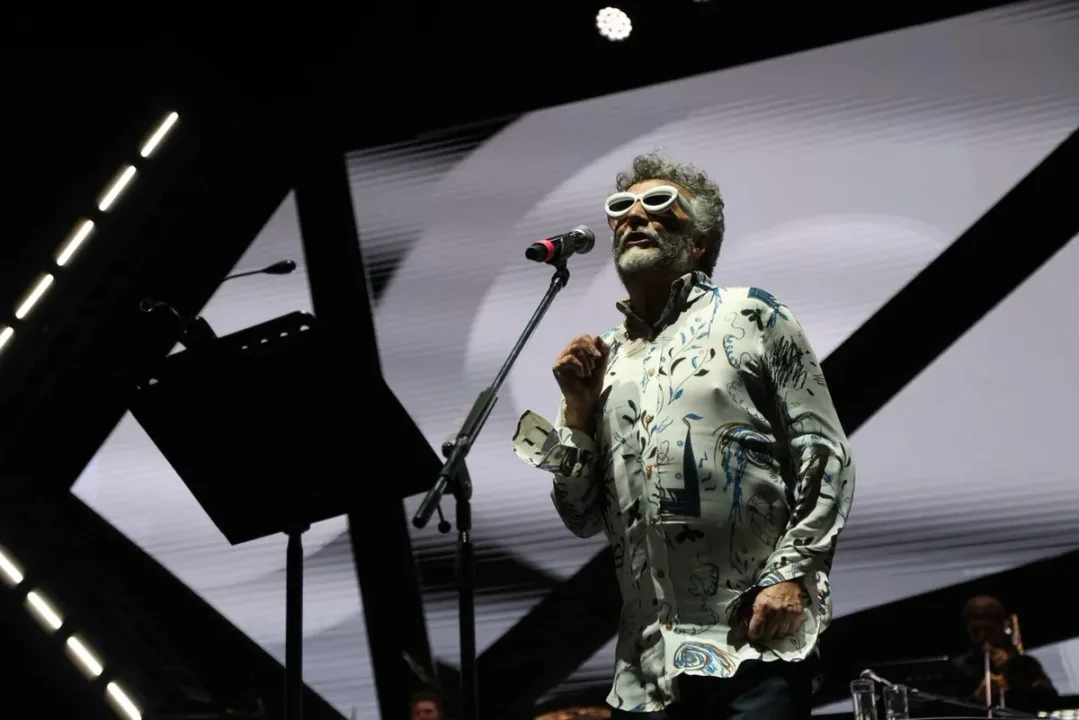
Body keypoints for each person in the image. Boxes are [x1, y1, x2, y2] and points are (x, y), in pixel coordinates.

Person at [511, 153, 855, 719]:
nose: (634, 216)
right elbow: (580, 517)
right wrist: (576, 412)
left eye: (658, 204)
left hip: (751, 639)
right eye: (621, 208)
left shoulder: (752, 314)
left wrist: (794, 573)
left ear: (699, 243)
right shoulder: (605, 359)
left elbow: (824, 452)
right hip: (646, 668)